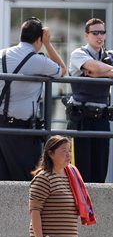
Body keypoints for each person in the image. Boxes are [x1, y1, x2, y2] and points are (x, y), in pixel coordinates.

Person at [66, 18, 113, 182]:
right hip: (81, 120)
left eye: (102, 32)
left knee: (100, 171)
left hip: (102, 120)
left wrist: (102, 73)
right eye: (95, 32)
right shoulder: (78, 53)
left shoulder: (110, 55)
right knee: (80, 174)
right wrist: (111, 71)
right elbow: (95, 67)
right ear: (86, 35)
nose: (99, 36)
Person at [0, 17, 66, 181]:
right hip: (23, 131)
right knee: (29, 181)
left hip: (2, 127)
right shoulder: (39, 61)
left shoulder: (2, 54)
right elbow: (63, 70)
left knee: (4, 179)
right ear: (39, 39)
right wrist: (48, 44)